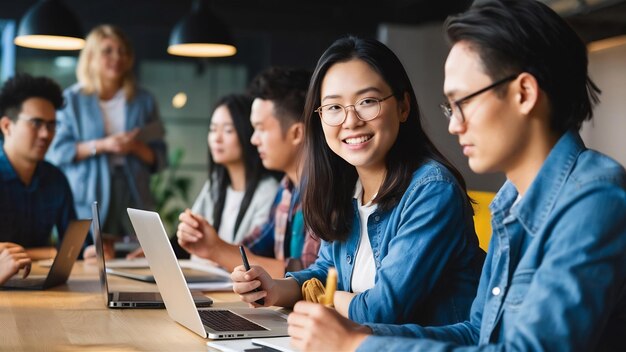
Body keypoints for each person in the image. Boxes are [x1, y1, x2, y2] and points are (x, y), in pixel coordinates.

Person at [285, 1, 626, 351]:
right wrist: (360, 338)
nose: (454, 124)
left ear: (524, 93)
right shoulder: (512, 200)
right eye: (451, 107)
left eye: (463, 102)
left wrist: (355, 347)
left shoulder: (594, 200)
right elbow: (477, 335)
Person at [232, 36, 484, 326]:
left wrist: (325, 296)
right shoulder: (347, 188)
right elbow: (326, 272)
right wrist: (275, 288)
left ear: (403, 107)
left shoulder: (432, 190)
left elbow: (383, 310)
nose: (350, 121)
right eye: (334, 107)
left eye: (367, 101)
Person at [177, 67, 319, 278]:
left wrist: (216, 250)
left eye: (261, 128)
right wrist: (209, 245)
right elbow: (252, 247)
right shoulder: (287, 188)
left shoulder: (324, 193)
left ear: (297, 132)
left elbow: (310, 276)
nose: (253, 140)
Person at [47, 25, 167, 258]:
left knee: (139, 255)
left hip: (134, 189)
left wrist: (134, 147)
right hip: (88, 190)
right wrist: (103, 145)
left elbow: (159, 158)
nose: (117, 57)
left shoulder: (143, 100)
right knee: (91, 255)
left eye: (122, 51)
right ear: (91, 56)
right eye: (108, 51)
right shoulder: (72, 100)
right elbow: (58, 152)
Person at [0, 73, 77, 261]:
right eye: (36, 123)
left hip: (46, 286)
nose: (46, 134)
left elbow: (74, 248)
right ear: (7, 126)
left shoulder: (55, 178)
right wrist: (49, 253)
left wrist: (91, 252)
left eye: (51, 125)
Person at [191, 93, 279, 244]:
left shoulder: (268, 190)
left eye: (228, 130)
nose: (217, 138)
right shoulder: (216, 183)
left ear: (247, 133)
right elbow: (194, 228)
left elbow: (253, 252)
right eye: (213, 129)